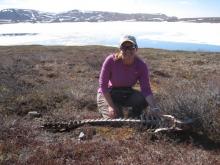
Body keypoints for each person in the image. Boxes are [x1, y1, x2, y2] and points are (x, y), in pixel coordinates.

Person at [97, 35, 161, 119]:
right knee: (114, 119)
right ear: (120, 49)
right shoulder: (111, 61)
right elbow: (103, 86)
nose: (128, 50)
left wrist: (154, 108)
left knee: (143, 99)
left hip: (127, 92)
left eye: (131, 47)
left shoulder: (141, 65)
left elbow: (146, 89)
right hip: (108, 93)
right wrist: (111, 106)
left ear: (136, 49)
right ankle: (111, 107)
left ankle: (134, 116)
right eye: (124, 47)